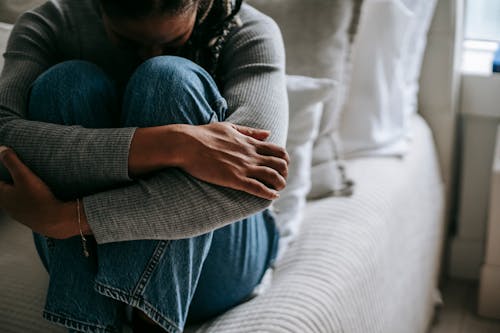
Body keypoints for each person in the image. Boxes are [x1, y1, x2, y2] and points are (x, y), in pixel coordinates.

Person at [0, 0, 289, 332]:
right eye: (128, 43)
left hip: (217, 254)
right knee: (64, 84)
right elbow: (3, 138)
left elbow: (259, 185)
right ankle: (93, 322)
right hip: (84, 250)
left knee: (168, 78)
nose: (149, 54)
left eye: (173, 41)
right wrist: (176, 144)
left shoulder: (247, 31)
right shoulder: (51, 22)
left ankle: (151, 323)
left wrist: (67, 219)